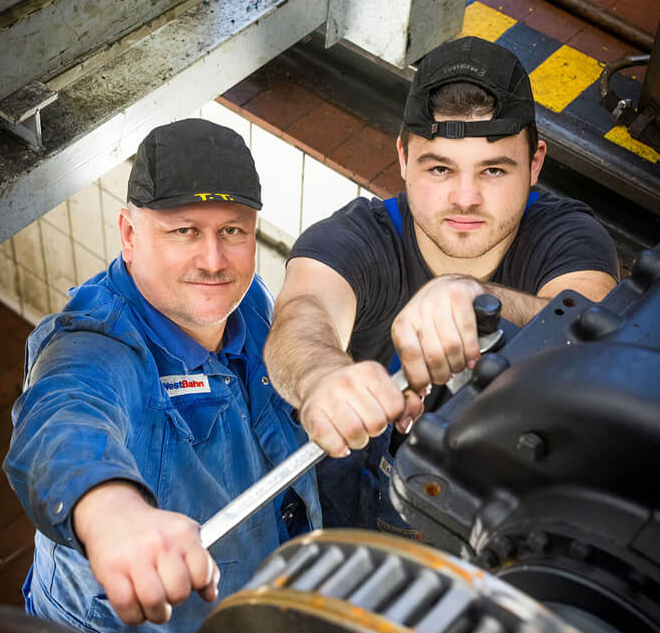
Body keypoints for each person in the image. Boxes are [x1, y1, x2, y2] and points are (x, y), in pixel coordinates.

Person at [5, 119, 321, 633]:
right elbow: (62, 418)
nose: (213, 260)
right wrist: (111, 512)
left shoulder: (249, 306)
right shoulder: (98, 345)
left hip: (258, 619)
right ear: (128, 235)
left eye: (233, 231)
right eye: (182, 232)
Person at [264, 36, 619, 534]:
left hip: (494, 523)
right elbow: (302, 313)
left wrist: (481, 301)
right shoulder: (356, 238)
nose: (466, 198)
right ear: (404, 159)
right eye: (440, 169)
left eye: (494, 169)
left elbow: (596, 330)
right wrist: (320, 378)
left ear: (536, 163)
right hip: (350, 514)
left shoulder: (568, 237)